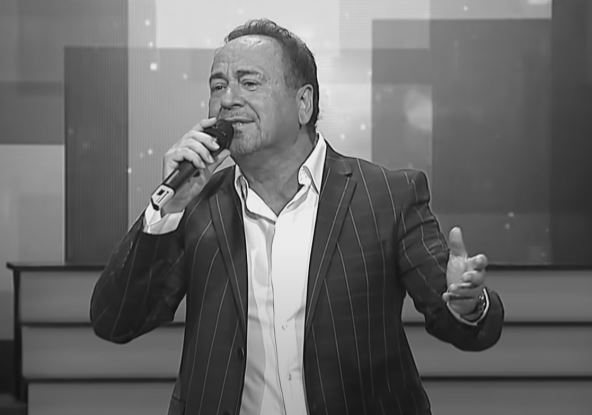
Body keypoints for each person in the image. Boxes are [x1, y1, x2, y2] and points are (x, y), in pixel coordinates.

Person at [91, 18, 504, 415]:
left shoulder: (387, 195)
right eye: (218, 85)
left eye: (249, 82)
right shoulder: (195, 205)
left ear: (303, 103)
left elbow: (463, 324)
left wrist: (468, 305)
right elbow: (116, 320)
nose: (228, 100)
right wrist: (167, 209)